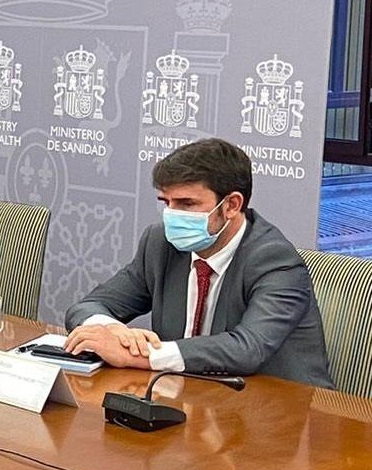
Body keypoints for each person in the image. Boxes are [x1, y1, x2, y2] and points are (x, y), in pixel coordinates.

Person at [64, 137, 332, 386]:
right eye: (166, 202)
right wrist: (112, 331)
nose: (172, 215)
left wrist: (141, 356)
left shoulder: (275, 260)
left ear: (231, 205)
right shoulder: (160, 244)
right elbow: (88, 306)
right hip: (194, 398)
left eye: (186, 204)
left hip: (284, 413)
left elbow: (247, 348)